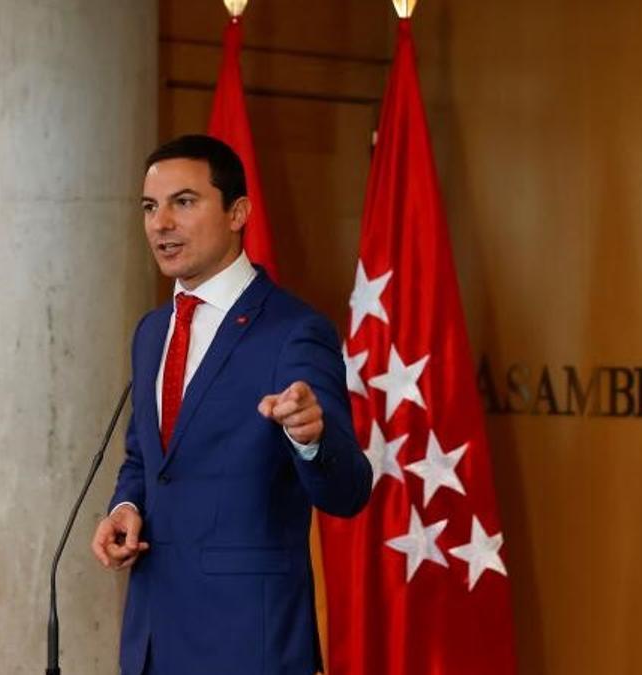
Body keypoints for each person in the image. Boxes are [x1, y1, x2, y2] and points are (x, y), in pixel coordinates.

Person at [90, 134, 371, 674]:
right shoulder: (152, 332)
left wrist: (311, 439)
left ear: (238, 212)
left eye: (184, 202)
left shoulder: (294, 331)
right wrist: (126, 508)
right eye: (150, 207)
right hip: (153, 640)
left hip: (249, 645)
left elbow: (349, 490)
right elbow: (145, 460)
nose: (161, 223)